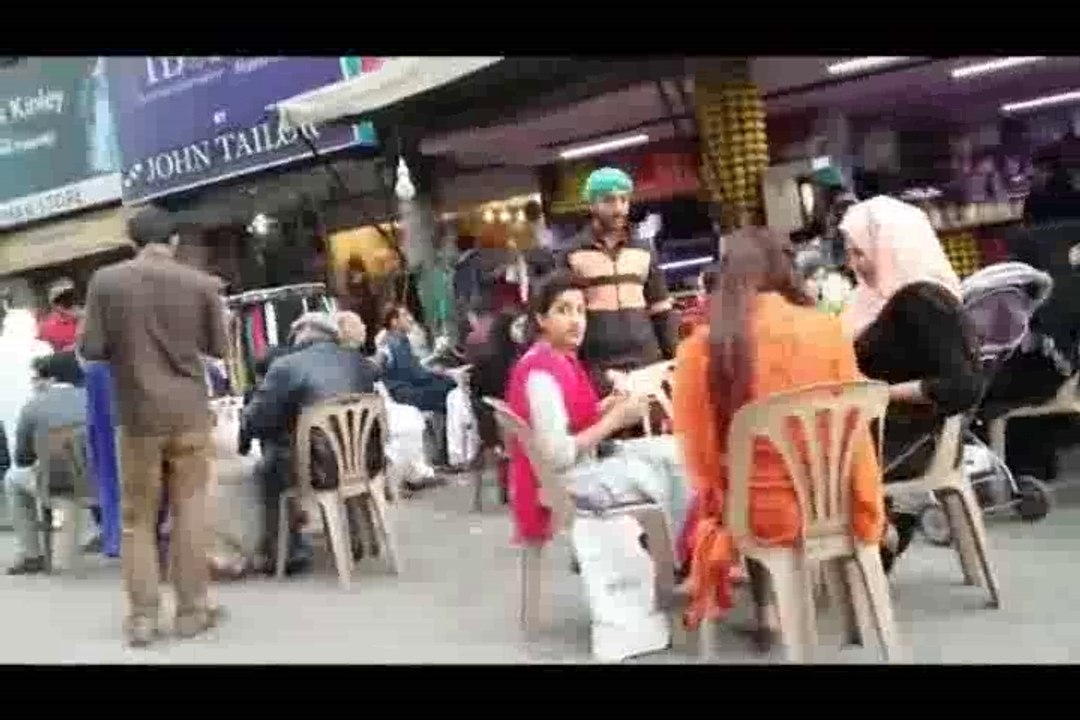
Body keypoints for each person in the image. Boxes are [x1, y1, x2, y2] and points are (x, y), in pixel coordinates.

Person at [672, 228, 885, 643]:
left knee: (734, 489)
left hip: (759, 516)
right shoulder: (827, 330)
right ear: (783, 269)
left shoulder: (705, 347)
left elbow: (701, 460)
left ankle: (765, 613)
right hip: (839, 503)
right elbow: (855, 420)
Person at [79, 205, 230, 648]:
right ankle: (191, 612)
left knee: (136, 519)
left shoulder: (106, 282)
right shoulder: (201, 284)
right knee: (190, 510)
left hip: (138, 415)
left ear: (131, 242)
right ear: (175, 241)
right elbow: (218, 348)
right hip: (189, 414)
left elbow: (92, 350)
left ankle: (143, 618)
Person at [840, 195, 983, 571]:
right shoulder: (879, 298)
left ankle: (876, 542)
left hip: (906, 444)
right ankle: (881, 537)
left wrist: (881, 395)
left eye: (860, 253)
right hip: (888, 436)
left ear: (889, 247)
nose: (853, 264)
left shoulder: (923, 300)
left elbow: (963, 386)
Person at [505, 271, 689, 547]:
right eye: (564, 310)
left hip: (579, 466)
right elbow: (557, 455)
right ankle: (678, 555)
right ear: (541, 319)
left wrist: (610, 404)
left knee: (678, 450)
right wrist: (614, 420)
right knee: (666, 469)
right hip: (565, 481)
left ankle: (679, 551)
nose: (576, 320)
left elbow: (575, 420)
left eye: (581, 311)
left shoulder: (558, 359)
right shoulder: (540, 374)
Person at [242, 312, 380, 574]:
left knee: (269, 466)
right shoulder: (359, 362)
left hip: (317, 470)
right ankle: (360, 535)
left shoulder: (286, 366)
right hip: (365, 462)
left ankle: (286, 552)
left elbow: (256, 419)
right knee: (329, 443)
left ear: (299, 335)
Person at [559, 167, 680, 386]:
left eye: (624, 200)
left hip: (648, 361)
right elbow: (564, 317)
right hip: (598, 368)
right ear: (592, 204)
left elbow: (661, 310)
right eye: (609, 201)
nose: (619, 208)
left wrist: (675, 359)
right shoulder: (571, 254)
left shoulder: (645, 251)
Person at [4, 352, 89, 575]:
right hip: (106, 482)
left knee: (12, 480)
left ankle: (32, 554)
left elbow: (23, 458)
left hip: (58, 484)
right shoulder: (98, 400)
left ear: (50, 379)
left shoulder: (34, 407)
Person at [379, 304, 456, 414]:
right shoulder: (395, 343)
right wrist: (441, 373)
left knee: (446, 384)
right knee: (451, 386)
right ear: (394, 322)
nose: (411, 319)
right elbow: (416, 374)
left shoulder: (399, 340)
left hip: (408, 389)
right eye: (405, 316)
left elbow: (415, 370)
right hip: (405, 394)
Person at [37, 278, 82, 353]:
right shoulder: (47, 326)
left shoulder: (85, 319)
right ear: (55, 304)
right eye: (65, 299)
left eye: (73, 298)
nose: (72, 302)